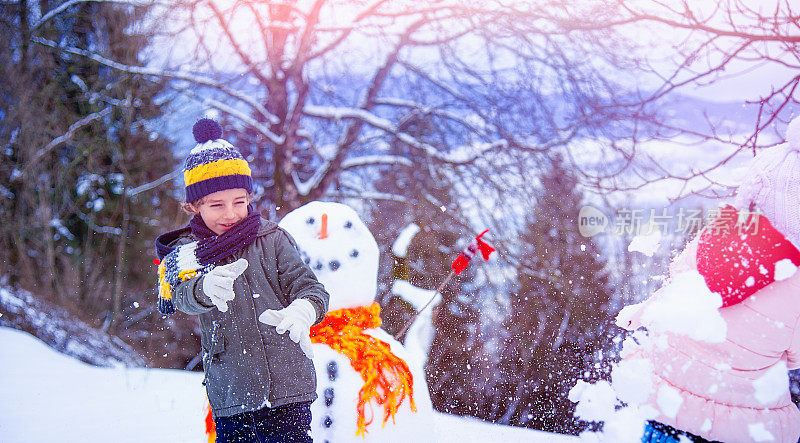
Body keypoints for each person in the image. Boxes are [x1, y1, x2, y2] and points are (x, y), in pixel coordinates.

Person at [619, 116, 800, 443]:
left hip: (667, 411)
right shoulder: (796, 282)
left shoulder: (714, 237)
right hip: (744, 427)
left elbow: (674, 293)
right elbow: (795, 356)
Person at [154, 118, 330, 443]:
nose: (231, 213)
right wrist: (202, 288)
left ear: (249, 196)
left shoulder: (273, 239)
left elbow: (310, 288)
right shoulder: (188, 251)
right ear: (194, 206)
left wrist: (303, 311)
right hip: (232, 391)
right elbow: (179, 295)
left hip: (288, 385)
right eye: (216, 205)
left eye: (239, 201)